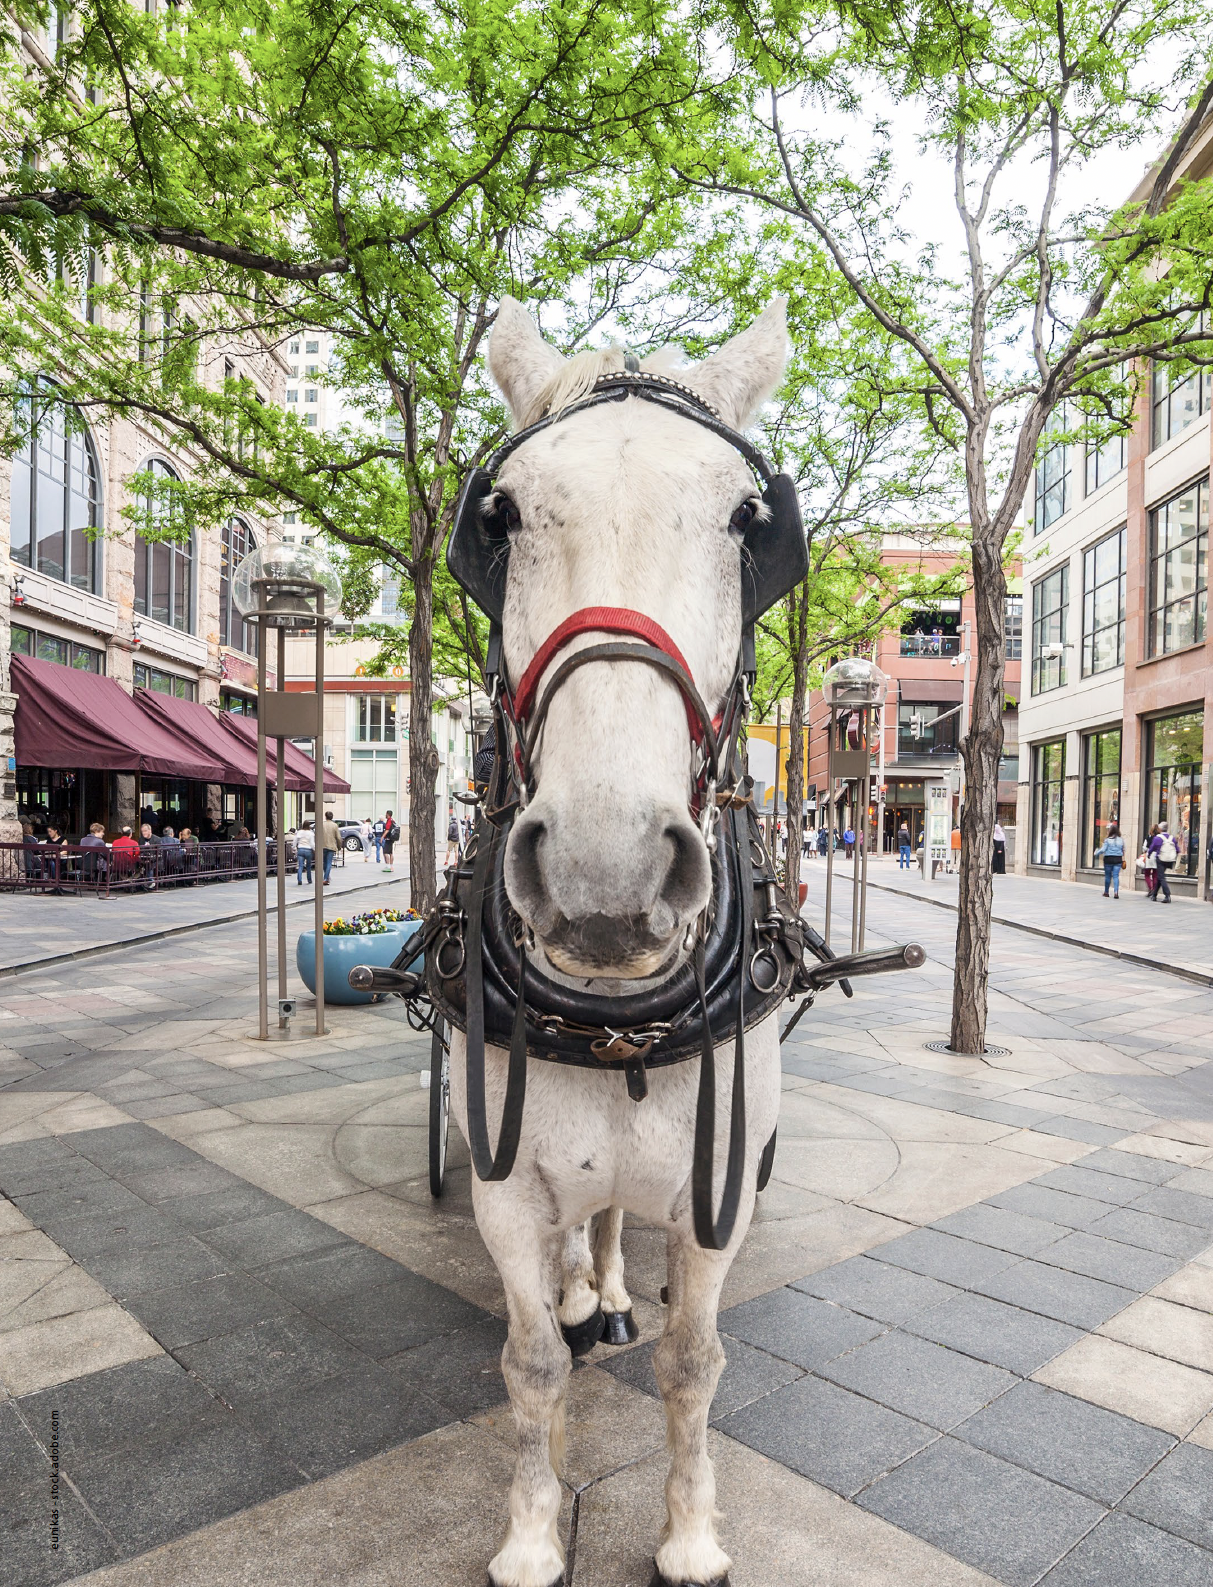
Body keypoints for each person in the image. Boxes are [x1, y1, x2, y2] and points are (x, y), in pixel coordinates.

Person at [1149, 820, 1178, 903]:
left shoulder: (1157, 838)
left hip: (1161, 859)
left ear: (1160, 829)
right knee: (1159, 876)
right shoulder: (1172, 838)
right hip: (1169, 860)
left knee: (1161, 877)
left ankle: (1167, 895)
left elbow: (1152, 848)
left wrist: (1149, 854)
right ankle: (1154, 895)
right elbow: (1177, 849)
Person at [1094, 823, 1124, 898]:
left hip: (1108, 859)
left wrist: (1096, 853)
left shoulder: (1107, 840)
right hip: (1118, 859)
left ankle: (1106, 892)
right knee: (1116, 876)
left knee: (1108, 876)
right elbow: (1124, 850)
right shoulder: (1121, 840)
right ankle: (1116, 892)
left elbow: (1103, 850)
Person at [320, 809, 341, 885]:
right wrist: (339, 846)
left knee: (324, 863)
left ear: (325, 817)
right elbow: (338, 837)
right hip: (331, 846)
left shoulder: (322, 824)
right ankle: (326, 878)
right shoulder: (335, 825)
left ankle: (326, 877)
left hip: (322, 846)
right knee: (329, 863)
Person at [1140, 825, 1159, 897]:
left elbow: (1144, 848)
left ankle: (1150, 889)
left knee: (1147, 874)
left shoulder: (1149, 837)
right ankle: (1154, 890)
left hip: (1149, 856)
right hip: (1156, 856)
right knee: (1155, 875)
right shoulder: (1159, 838)